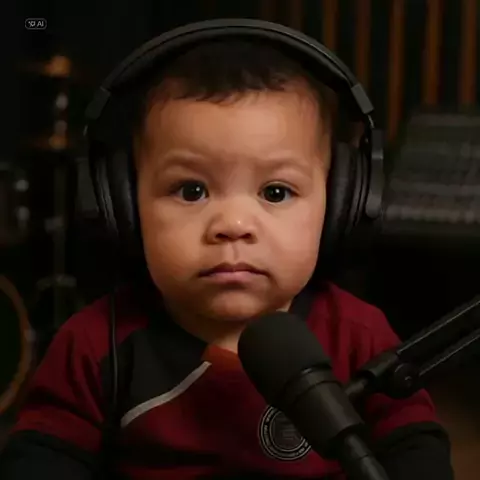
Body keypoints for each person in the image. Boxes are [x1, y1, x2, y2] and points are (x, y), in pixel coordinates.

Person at [0, 26, 453, 480]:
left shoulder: (359, 335)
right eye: (191, 190)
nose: (233, 225)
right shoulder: (93, 344)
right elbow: (41, 455)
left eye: (276, 192)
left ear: (340, 204)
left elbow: (413, 444)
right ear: (123, 206)